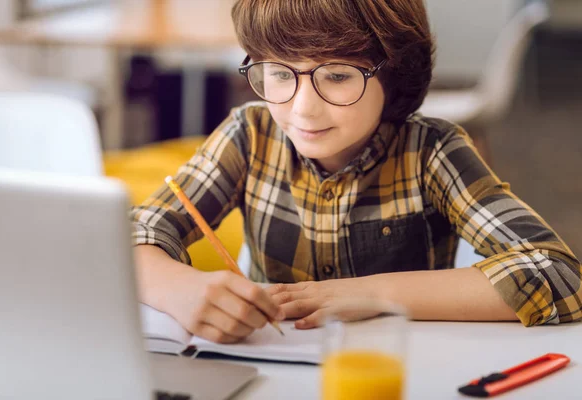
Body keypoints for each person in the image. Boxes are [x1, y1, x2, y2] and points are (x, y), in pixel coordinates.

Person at [132, 0, 582, 343]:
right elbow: (131, 238)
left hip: (408, 369)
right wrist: (181, 290)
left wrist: (366, 295)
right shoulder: (248, 135)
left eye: (339, 75)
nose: (303, 109)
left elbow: (556, 273)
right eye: (280, 73)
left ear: (395, 74)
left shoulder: (430, 151)